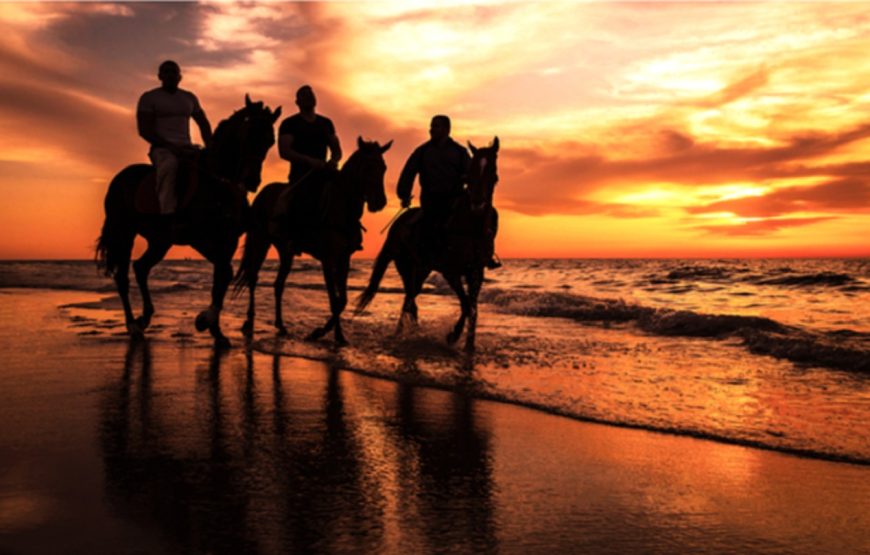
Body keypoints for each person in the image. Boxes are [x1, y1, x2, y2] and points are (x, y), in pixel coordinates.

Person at [397, 115, 500, 268]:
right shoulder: (422, 151)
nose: (432, 130)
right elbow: (408, 173)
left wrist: (468, 181)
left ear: (446, 129)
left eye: (436, 126)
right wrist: (404, 194)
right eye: (431, 126)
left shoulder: (459, 152)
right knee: (430, 223)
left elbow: (471, 173)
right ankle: (428, 256)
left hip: (456, 198)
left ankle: (485, 253)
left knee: (491, 215)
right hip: (432, 199)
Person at [273, 85, 345, 247]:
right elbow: (284, 151)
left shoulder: (326, 123)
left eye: (311, 95)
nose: (309, 98)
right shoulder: (290, 124)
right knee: (294, 201)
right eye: (305, 96)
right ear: (297, 102)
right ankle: (290, 234)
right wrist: (308, 161)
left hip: (325, 172)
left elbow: (336, 150)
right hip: (302, 174)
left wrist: (334, 160)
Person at [136, 60, 212, 215]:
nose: (170, 75)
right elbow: (144, 130)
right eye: (166, 72)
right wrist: (169, 147)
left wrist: (211, 146)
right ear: (160, 76)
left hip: (187, 147)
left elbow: (203, 123)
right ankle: (167, 214)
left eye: (174, 72)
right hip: (162, 150)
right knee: (169, 167)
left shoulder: (189, 97)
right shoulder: (149, 98)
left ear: (180, 77)